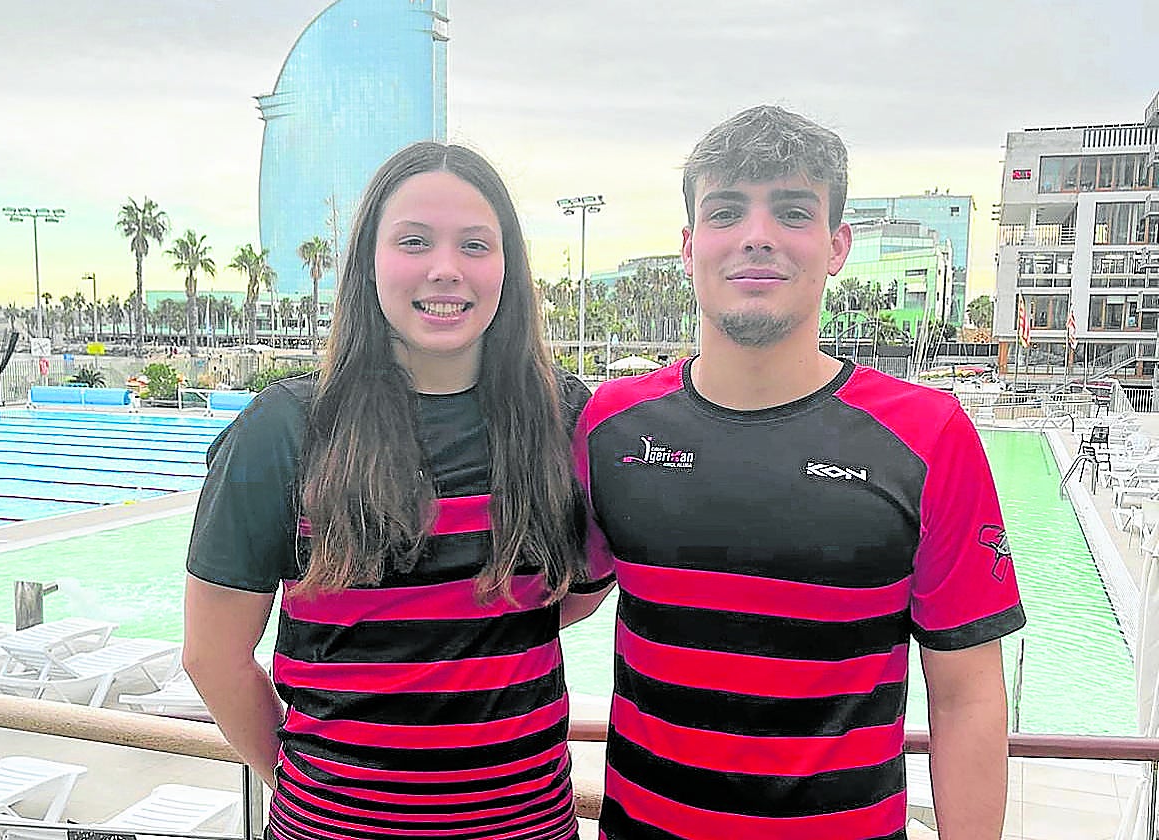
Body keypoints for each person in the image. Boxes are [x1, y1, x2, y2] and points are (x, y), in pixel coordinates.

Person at [573, 106, 1026, 840]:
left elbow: (967, 694)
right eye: (726, 211)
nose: (757, 235)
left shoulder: (929, 436)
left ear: (837, 244)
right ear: (689, 246)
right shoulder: (612, 427)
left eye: (791, 211)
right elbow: (545, 602)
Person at [183, 141, 613, 839]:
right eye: (414, 241)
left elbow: (572, 597)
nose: (446, 269)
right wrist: (311, 791)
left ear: (508, 265)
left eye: (475, 244)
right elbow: (212, 653)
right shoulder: (288, 429)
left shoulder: (563, 421)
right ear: (369, 262)